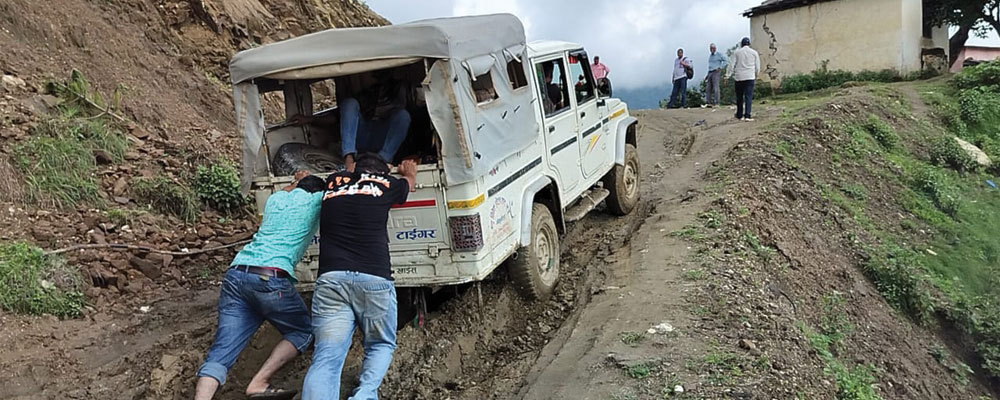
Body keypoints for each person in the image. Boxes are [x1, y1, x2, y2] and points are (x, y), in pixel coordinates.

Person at [194, 171, 326, 400]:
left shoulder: (276, 199)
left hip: (236, 274)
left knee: (222, 351)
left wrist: (296, 180)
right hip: (269, 278)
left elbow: (290, 189)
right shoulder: (316, 199)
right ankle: (259, 382)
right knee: (301, 330)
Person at [301, 154, 418, 400]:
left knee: (326, 357)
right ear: (381, 173)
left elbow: (351, 173)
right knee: (380, 344)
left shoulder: (333, 181)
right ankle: (364, 395)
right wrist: (408, 172)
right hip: (373, 278)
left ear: (354, 169)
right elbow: (408, 184)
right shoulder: (388, 185)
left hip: (331, 280)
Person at [292, 71, 411, 171]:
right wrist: (308, 119)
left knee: (403, 116)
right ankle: (349, 159)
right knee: (349, 103)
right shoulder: (367, 93)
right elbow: (338, 117)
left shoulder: (401, 92)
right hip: (361, 137)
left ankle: (383, 162)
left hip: (383, 138)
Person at [727, 37, 761, 121]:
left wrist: (727, 75)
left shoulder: (737, 53)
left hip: (739, 77)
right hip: (750, 77)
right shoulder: (754, 53)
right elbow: (757, 66)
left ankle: (739, 115)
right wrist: (756, 75)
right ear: (749, 44)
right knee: (748, 97)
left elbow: (732, 65)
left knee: (739, 97)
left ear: (742, 44)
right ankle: (747, 115)